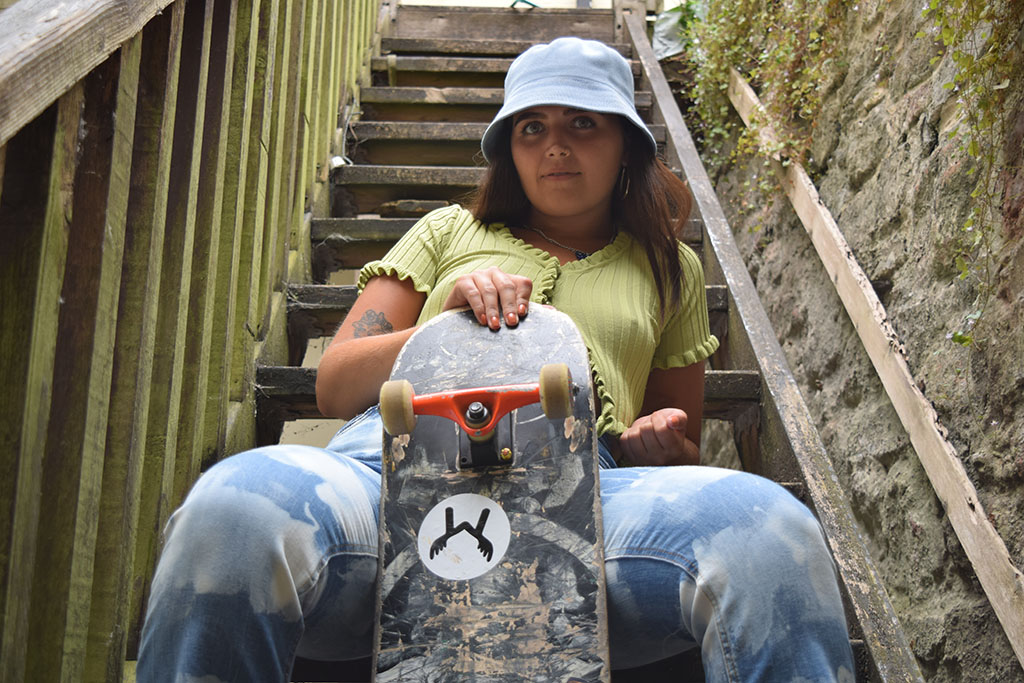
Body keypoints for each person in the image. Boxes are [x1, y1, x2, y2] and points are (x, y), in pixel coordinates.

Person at [138, 37, 855, 682]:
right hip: (384, 473)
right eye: (531, 127)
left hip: (586, 498)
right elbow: (334, 383)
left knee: (773, 530)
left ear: (627, 144)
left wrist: (645, 443)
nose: (555, 145)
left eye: (583, 122)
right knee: (230, 510)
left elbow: (682, 443)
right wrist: (447, 306)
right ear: (508, 147)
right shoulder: (449, 230)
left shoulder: (672, 271)